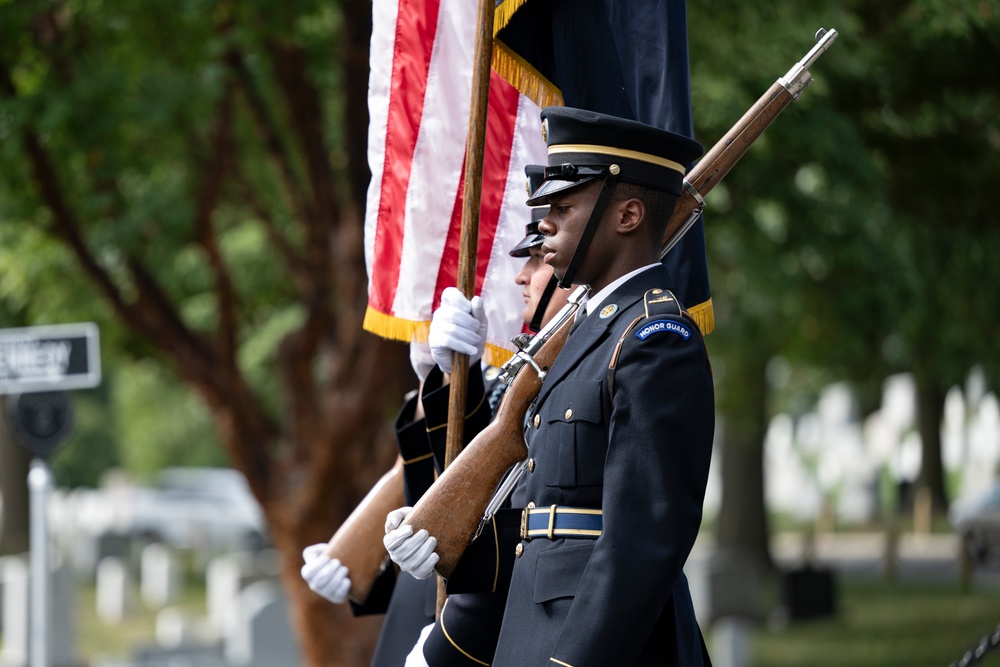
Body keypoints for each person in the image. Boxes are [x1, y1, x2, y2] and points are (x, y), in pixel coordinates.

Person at [387, 106, 716, 666]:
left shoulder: (654, 336)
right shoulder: (591, 333)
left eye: (563, 207)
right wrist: (443, 545)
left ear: (629, 214)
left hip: (593, 648)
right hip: (529, 632)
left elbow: (643, 540)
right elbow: (541, 512)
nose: (544, 224)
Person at [302, 168, 571, 666]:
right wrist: (442, 380)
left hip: (483, 630)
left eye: (539, 257)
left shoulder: (568, 369)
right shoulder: (514, 373)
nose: (520, 276)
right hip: (436, 614)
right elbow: (438, 487)